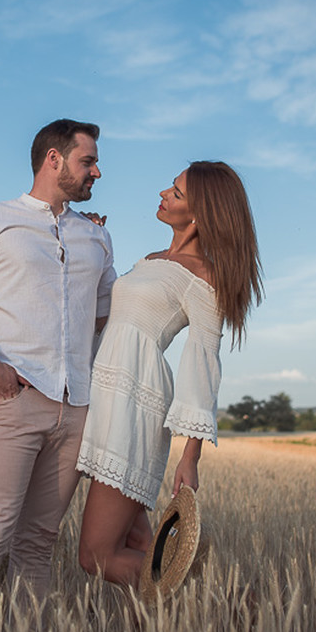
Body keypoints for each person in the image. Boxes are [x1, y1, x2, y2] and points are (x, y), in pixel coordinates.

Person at [0, 118, 117, 604]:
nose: (97, 172)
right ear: (53, 159)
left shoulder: (97, 237)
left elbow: (104, 316)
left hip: (76, 410)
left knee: (38, 544)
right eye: (88, 161)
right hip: (13, 400)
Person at [76, 161, 263, 587]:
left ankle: (224, 606)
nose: (163, 193)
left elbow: (203, 364)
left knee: (95, 555)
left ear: (200, 214)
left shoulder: (204, 277)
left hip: (133, 406)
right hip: (103, 400)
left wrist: (190, 456)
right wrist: (89, 240)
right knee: (144, 546)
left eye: (176, 193)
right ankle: (196, 617)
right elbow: (112, 318)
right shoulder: (150, 260)